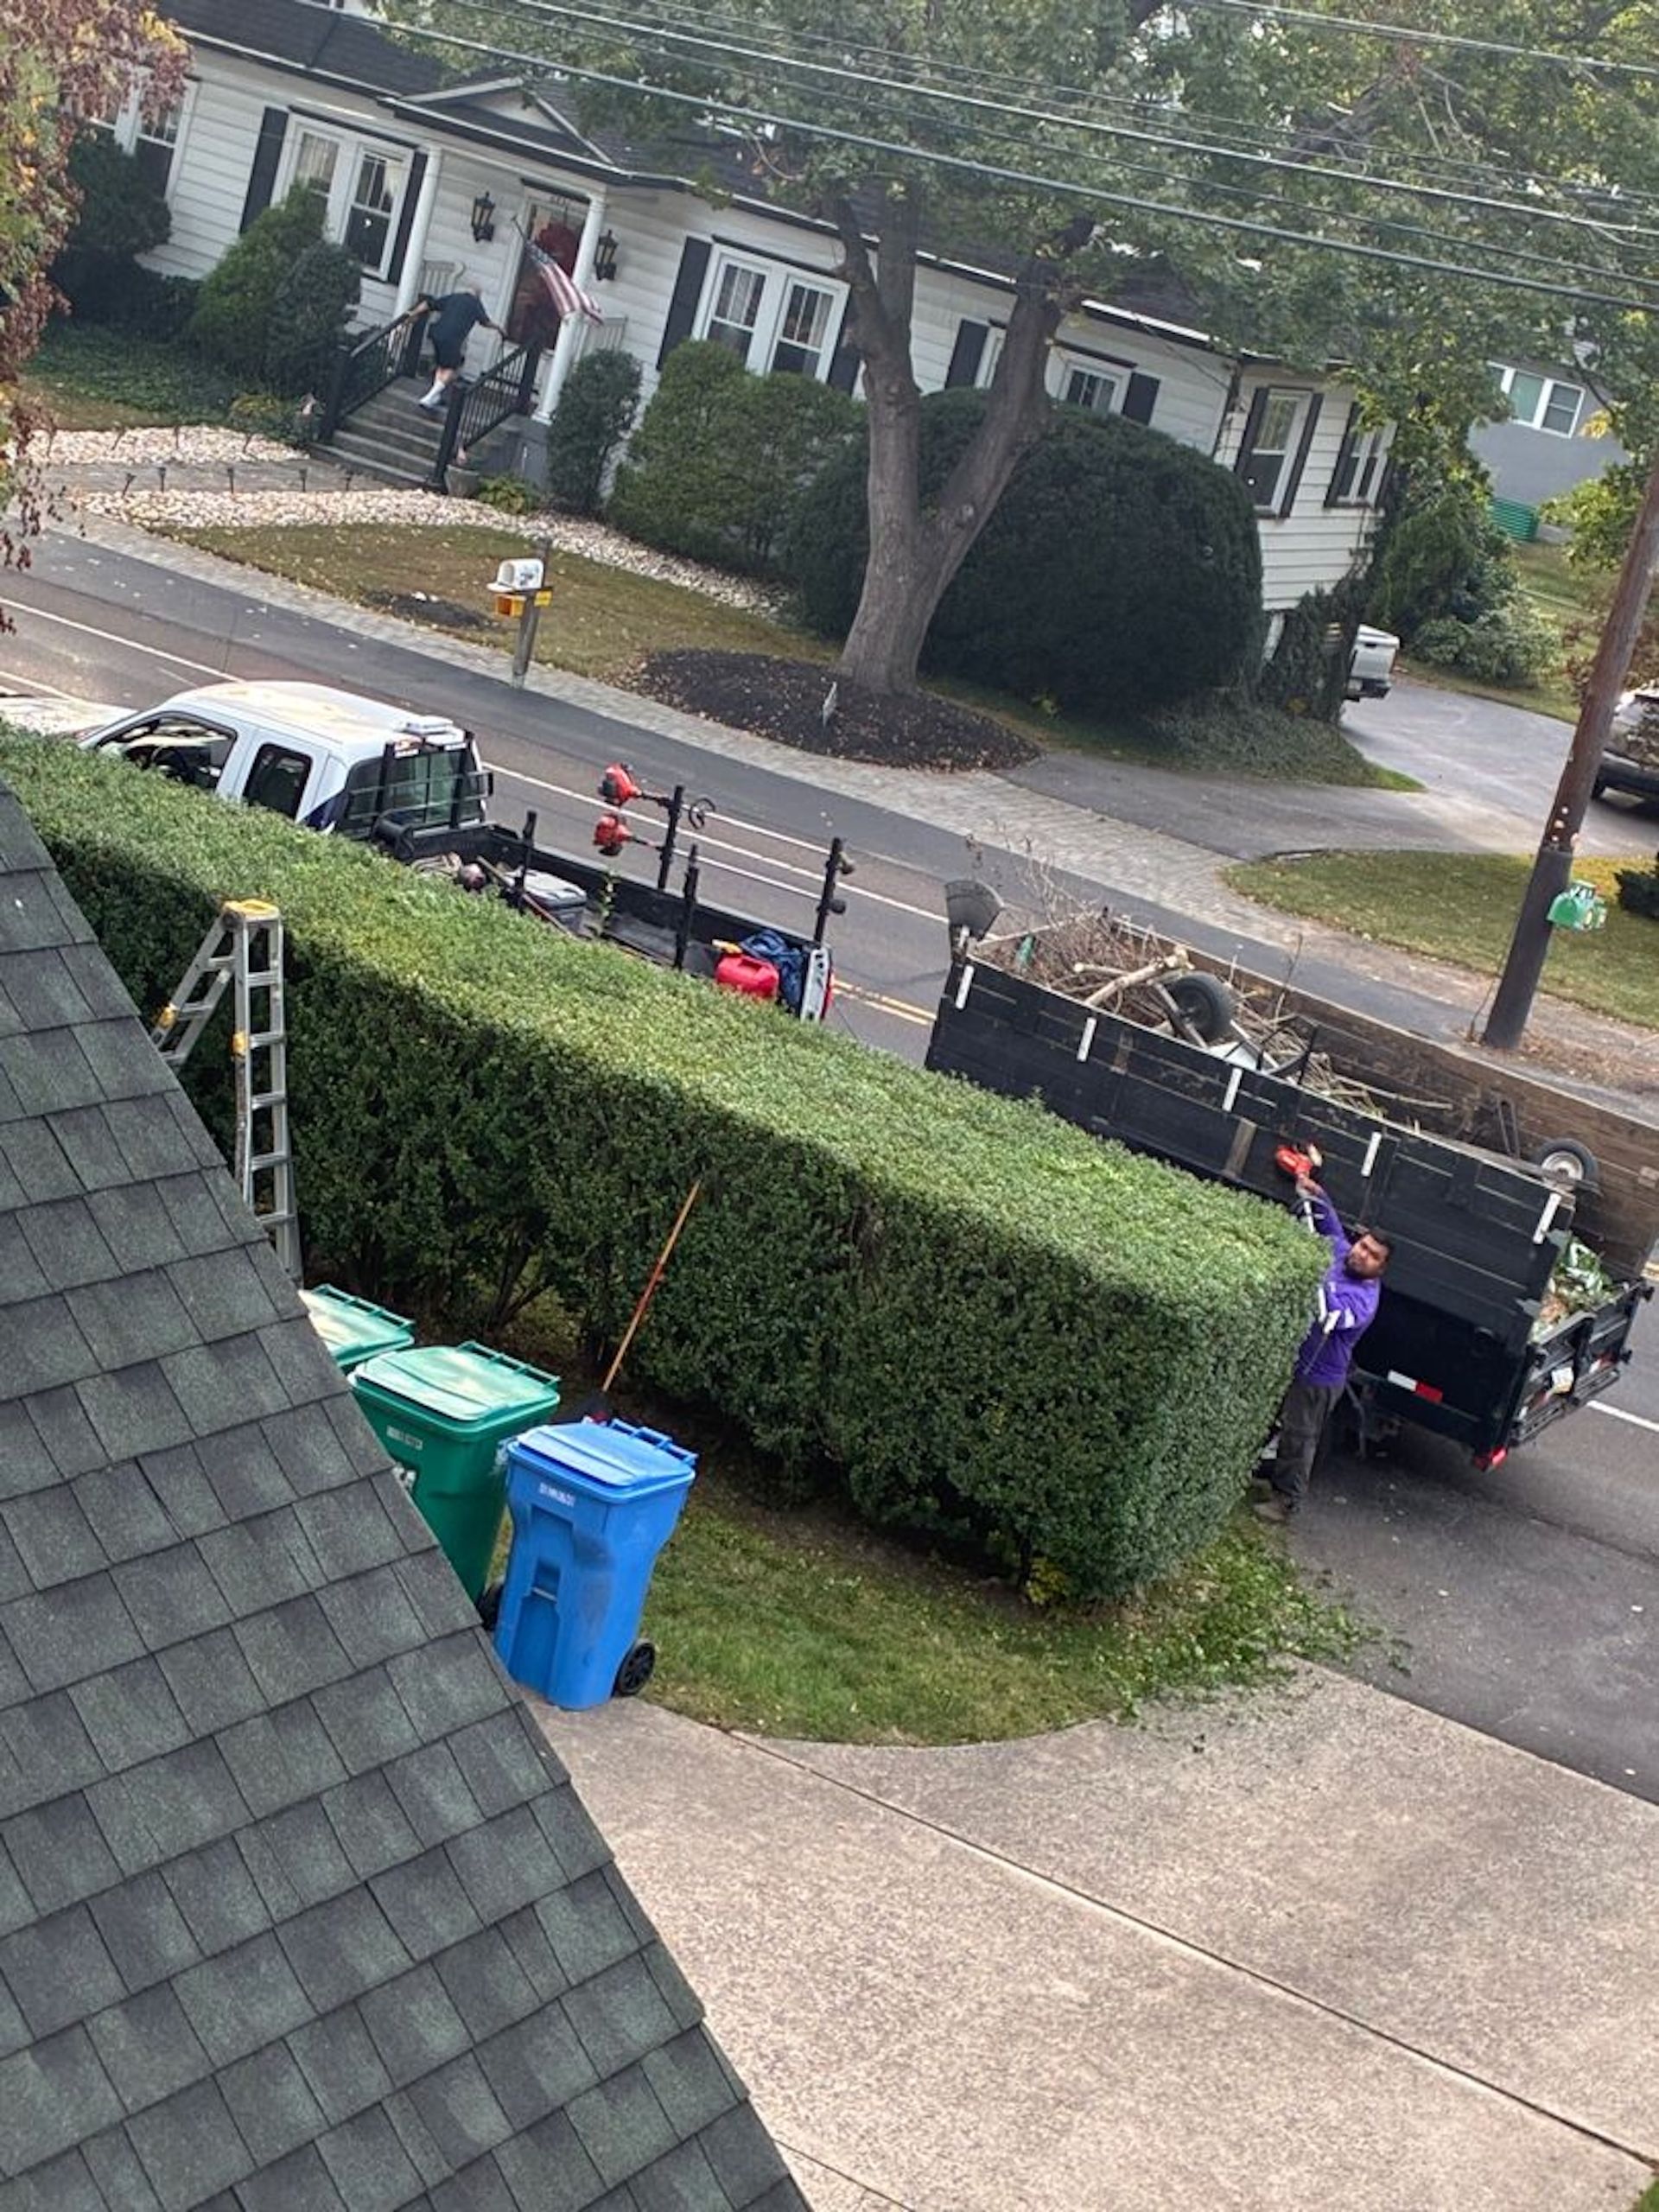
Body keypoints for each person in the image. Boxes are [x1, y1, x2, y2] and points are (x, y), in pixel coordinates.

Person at [1252, 1175, 1390, 1523]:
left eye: (1372, 1255)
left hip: (1318, 1379)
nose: (1361, 1254)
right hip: (1296, 1362)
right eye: (1363, 1246)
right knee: (1267, 1418)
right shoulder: (1342, 1252)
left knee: (1298, 1439)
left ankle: (1286, 1503)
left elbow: (1329, 1315)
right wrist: (1315, 1192)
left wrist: (1319, 1275)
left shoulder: (1363, 1301)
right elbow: (1327, 1223)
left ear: (1380, 1269)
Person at [412, 283, 500, 411]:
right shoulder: (475, 304)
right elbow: (485, 322)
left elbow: (429, 304)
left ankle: (435, 396)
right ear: (478, 295)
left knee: (442, 365)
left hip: (437, 334)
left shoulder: (454, 297)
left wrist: (412, 313)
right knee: (453, 368)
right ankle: (429, 397)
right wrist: (499, 328)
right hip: (452, 338)